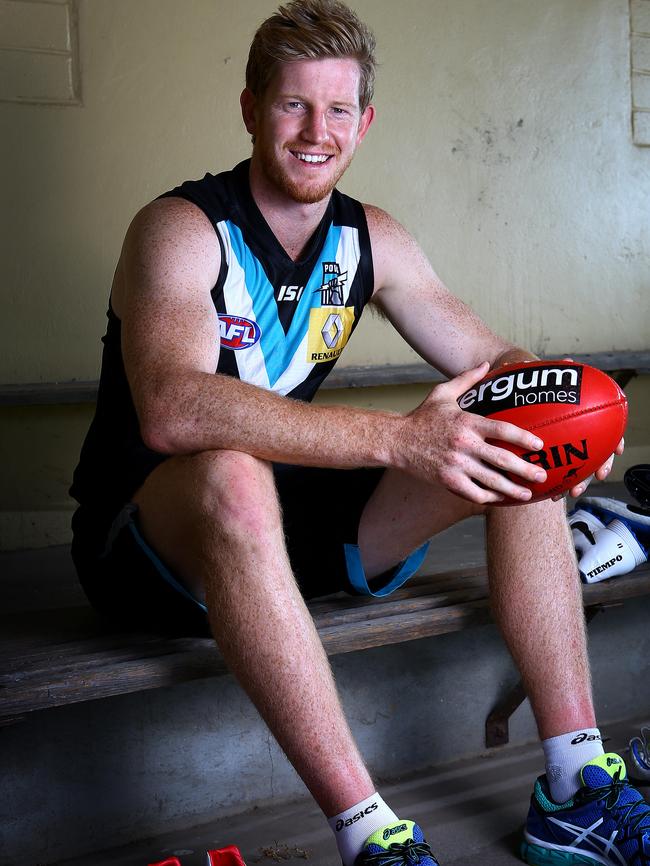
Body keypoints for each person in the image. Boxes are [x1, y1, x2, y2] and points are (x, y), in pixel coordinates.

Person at [69, 2, 648, 864]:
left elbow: (500, 360)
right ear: (251, 108)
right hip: (154, 542)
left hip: (290, 522)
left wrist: (580, 419)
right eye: (293, 105)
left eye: (338, 110)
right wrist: (396, 440)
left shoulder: (369, 235)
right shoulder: (181, 230)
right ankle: (370, 837)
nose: (316, 131)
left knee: (516, 436)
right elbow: (174, 410)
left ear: (364, 122)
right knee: (230, 471)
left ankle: (574, 789)